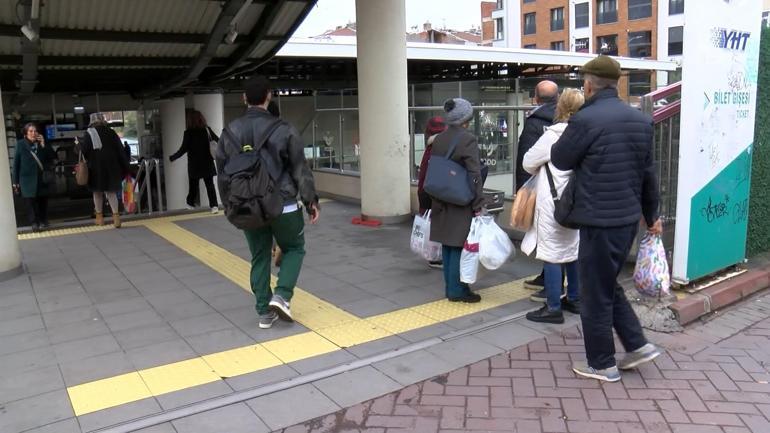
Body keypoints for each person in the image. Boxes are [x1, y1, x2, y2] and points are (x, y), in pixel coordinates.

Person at [551, 55, 663, 382]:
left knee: (593, 292)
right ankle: (637, 344)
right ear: (616, 83)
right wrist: (651, 214)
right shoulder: (640, 120)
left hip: (598, 220)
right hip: (627, 218)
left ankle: (601, 363)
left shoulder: (586, 119)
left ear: (588, 84)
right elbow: (648, 174)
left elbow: (560, 160)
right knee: (606, 284)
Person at [216, 75, 320, 330]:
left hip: (247, 205)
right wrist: (311, 201)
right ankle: (282, 296)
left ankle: (264, 312)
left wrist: (230, 204)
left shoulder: (229, 133)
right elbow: (300, 169)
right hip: (282, 203)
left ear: (244, 98)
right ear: (269, 96)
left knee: (260, 256)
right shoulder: (284, 129)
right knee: (295, 248)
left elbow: (222, 172)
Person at [521, 89, 585, 324]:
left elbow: (528, 162)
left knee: (551, 253)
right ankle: (575, 299)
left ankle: (553, 306)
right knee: (573, 251)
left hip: (553, 202)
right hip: (577, 201)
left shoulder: (554, 135)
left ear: (560, 107)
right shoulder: (586, 134)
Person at [429, 98, 485, 303]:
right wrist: (478, 202)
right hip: (460, 198)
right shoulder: (467, 139)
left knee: (448, 244)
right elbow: (474, 174)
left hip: (441, 196)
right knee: (460, 245)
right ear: (465, 118)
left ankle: (450, 287)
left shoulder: (439, 138)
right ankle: (458, 290)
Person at [517, 81, 559, 292]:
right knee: (561, 240)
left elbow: (525, 159)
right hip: (566, 190)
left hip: (543, 189)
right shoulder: (569, 121)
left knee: (547, 238)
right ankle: (554, 283)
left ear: (536, 98)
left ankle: (552, 291)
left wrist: (522, 191)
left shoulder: (534, 123)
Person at [78, 113, 129, 228]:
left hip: (96, 168)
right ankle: (116, 218)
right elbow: (120, 150)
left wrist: (78, 145)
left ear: (92, 121)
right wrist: (125, 166)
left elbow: (84, 150)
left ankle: (99, 219)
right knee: (111, 193)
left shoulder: (89, 133)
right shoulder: (111, 132)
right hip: (112, 167)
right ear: (102, 120)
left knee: (97, 193)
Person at [170, 110, 220, 214]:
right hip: (207, 163)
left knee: (193, 186)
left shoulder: (188, 133)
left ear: (189, 120)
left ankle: (190, 204)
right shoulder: (207, 130)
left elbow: (183, 149)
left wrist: (173, 157)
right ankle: (214, 206)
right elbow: (218, 140)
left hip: (194, 164)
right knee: (210, 185)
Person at [416, 116, 447, 269]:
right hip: (437, 193)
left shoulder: (430, 147)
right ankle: (435, 257)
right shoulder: (443, 147)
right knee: (438, 224)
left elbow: (423, 174)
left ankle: (434, 255)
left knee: (432, 223)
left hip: (427, 192)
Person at [12, 123, 56, 231]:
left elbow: (53, 157)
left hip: (41, 178)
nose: (33, 133)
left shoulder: (42, 143)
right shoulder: (20, 144)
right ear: (26, 133)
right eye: (30, 131)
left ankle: (43, 220)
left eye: (35, 131)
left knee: (42, 201)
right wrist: (15, 181)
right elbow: (16, 164)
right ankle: (34, 222)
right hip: (26, 179)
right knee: (29, 202)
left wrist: (43, 145)